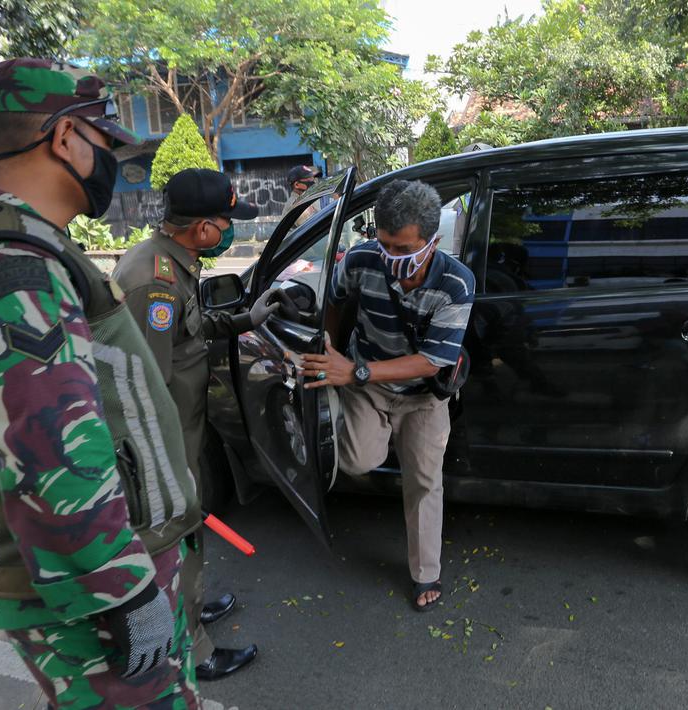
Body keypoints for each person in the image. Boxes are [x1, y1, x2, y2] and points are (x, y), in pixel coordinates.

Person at [0, 58, 201, 708]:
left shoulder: (20, 245)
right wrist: (120, 592)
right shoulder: (10, 262)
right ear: (65, 137)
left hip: (83, 575)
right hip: (85, 587)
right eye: (105, 143)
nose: (112, 161)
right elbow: (52, 448)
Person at [113, 168, 286, 681]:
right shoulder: (154, 282)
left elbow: (188, 334)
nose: (230, 231)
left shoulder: (171, 264)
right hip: (162, 443)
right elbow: (148, 384)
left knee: (189, 534)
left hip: (181, 432)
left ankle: (192, 605)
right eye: (227, 222)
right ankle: (198, 650)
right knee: (177, 530)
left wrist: (244, 320)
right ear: (204, 229)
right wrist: (168, 467)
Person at [303, 180, 475, 612]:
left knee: (423, 481)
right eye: (384, 245)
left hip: (421, 396)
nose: (391, 258)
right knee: (359, 460)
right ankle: (369, 432)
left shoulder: (457, 284)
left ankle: (425, 573)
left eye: (402, 249)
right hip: (368, 387)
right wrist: (332, 348)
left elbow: (431, 362)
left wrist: (354, 371)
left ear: (431, 242)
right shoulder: (361, 258)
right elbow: (335, 300)